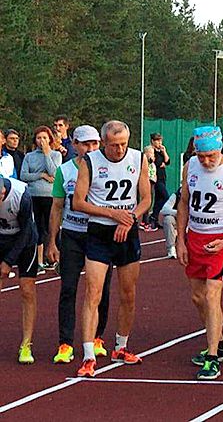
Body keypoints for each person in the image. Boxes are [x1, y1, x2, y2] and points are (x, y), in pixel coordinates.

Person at [72, 120, 152, 377]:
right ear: (104, 143)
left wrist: (128, 218)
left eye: (123, 144)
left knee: (128, 293)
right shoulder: (90, 162)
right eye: (114, 145)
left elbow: (146, 199)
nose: (119, 150)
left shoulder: (139, 159)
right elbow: (78, 203)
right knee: (93, 293)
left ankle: (121, 346)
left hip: (127, 231)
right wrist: (112, 214)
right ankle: (87, 355)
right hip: (99, 232)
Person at [177, 126, 223, 380]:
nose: (206, 161)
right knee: (198, 297)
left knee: (211, 295)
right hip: (195, 237)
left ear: (220, 150)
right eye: (201, 156)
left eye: (211, 156)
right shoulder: (190, 167)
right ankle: (220, 342)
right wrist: (180, 239)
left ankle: (212, 356)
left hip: (219, 239)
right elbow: (183, 202)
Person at [47, 125, 113, 364]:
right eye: (85, 144)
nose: (91, 148)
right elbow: (56, 207)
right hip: (72, 235)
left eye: (95, 143)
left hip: (99, 235)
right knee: (69, 288)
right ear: (74, 144)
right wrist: (52, 241)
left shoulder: (108, 168)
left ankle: (97, 337)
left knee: (101, 289)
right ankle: (65, 343)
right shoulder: (64, 171)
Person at [0, 175, 39, 363]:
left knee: (27, 290)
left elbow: (26, 232)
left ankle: (26, 344)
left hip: (25, 241)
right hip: (1, 239)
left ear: (2, 193)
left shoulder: (21, 194)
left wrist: (8, 262)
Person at [20, 126, 62, 271]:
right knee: (37, 228)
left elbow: (55, 173)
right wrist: (41, 175)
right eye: (39, 138)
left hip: (50, 196)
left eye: (44, 137)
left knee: (52, 226)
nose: (41, 141)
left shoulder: (56, 155)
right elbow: (24, 175)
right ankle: (38, 261)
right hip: (33, 196)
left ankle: (54, 258)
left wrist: (46, 154)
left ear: (50, 139)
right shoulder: (29, 156)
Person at [149, 133, 171, 229]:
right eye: (157, 140)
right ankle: (153, 216)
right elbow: (155, 162)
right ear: (153, 141)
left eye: (160, 140)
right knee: (165, 197)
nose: (159, 143)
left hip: (163, 177)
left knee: (159, 198)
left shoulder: (160, 151)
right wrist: (161, 163)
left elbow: (167, 161)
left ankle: (155, 219)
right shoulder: (151, 150)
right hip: (156, 178)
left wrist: (164, 151)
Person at [140, 145, 158, 232]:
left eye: (153, 153)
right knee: (147, 201)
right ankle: (146, 222)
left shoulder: (152, 163)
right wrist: (149, 157)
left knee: (150, 202)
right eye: (150, 153)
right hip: (148, 182)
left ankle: (144, 221)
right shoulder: (146, 162)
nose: (152, 155)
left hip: (152, 182)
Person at [160, 187, 180, 259]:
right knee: (168, 219)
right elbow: (164, 210)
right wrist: (179, 213)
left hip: (192, 224)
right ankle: (171, 248)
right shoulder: (176, 195)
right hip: (179, 222)